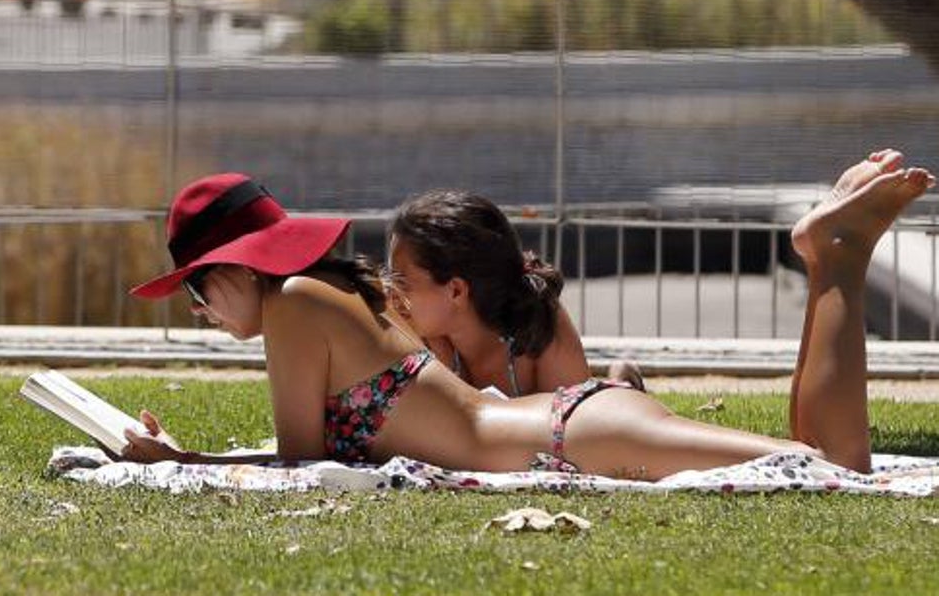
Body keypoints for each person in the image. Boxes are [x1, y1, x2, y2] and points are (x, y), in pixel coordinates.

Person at [124, 152, 931, 479]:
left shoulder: (297, 303)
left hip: (565, 434)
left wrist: (178, 463)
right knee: (807, 460)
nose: (201, 311)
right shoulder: (336, 293)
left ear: (233, 268)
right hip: (569, 423)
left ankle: (837, 261)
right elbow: (309, 456)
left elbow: (302, 469)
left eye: (198, 290)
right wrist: (186, 455)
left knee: (829, 468)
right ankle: (834, 258)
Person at [386, 189, 643, 397]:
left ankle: (624, 385)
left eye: (401, 282)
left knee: (605, 409)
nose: (389, 292)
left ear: (456, 291)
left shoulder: (537, 322)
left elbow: (576, 428)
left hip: (549, 421)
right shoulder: (413, 331)